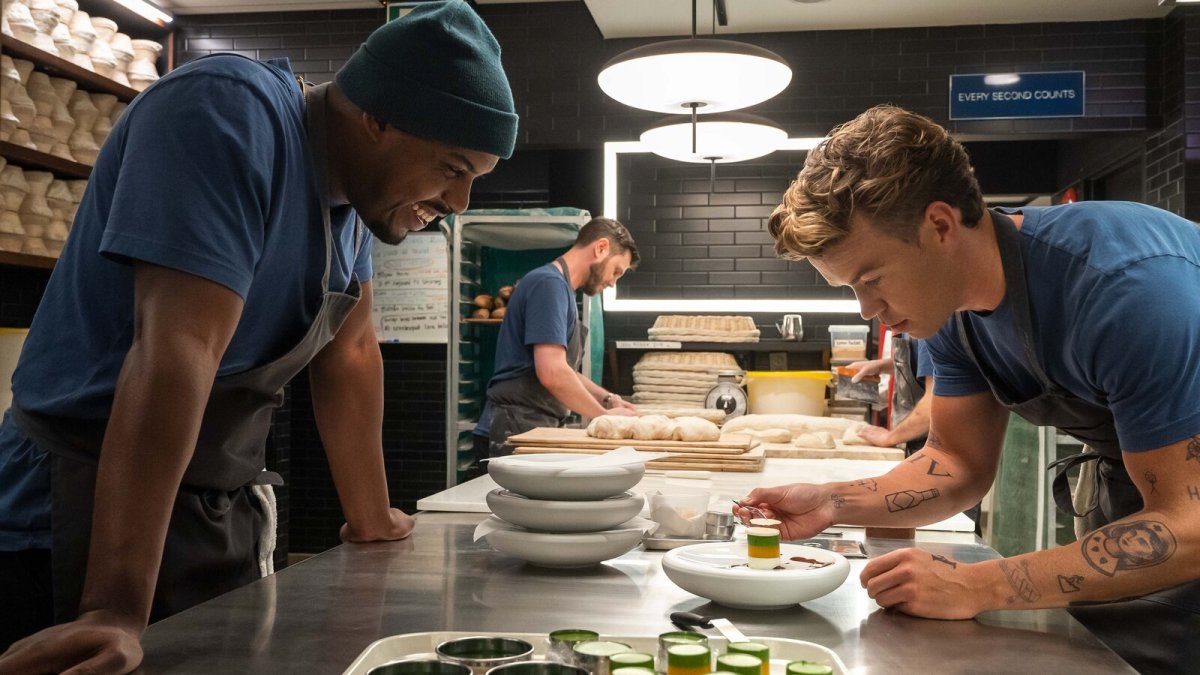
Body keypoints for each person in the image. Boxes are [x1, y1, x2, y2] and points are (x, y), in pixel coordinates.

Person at [0, 2, 518, 673]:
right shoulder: (228, 113)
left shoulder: (353, 206)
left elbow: (351, 353)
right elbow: (176, 349)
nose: (459, 204)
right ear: (377, 117)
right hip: (81, 509)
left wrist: (370, 517)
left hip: (212, 511)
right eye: (453, 169)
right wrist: (115, 605)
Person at [740, 104, 1200, 674]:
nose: (869, 310)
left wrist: (985, 584)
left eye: (872, 279)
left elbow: (1189, 524)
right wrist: (834, 501)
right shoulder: (951, 309)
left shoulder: (1128, 289)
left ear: (939, 226)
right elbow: (956, 463)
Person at [477, 217, 640, 459]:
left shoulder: (561, 289)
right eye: (616, 271)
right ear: (601, 248)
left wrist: (608, 399)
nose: (613, 282)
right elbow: (552, 372)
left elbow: (564, 369)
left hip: (530, 423)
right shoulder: (548, 284)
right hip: (515, 425)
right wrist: (604, 418)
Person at [848, 333, 934, 452]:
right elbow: (920, 364)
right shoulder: (910, 326)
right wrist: (882, 366)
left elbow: (934, 405)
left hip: (934, 445)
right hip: (912, 439)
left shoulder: (934, 331)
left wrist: (889, 437)